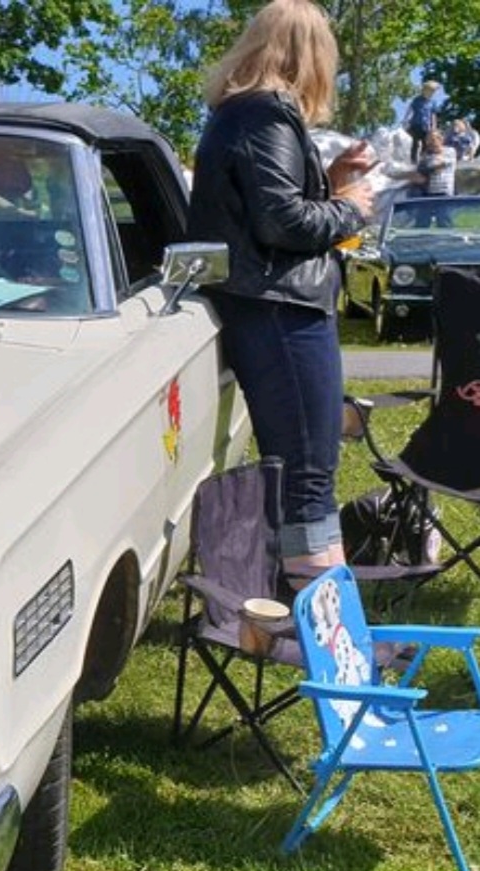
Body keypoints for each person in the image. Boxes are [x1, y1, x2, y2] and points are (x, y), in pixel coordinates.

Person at [188, 0, 375, 591]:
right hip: (281, 310)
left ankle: (305, 597)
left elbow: (268, 209)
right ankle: (319, 612)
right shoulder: (265, 112)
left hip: (271, 305)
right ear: (310, 55)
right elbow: (283, 223)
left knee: (304, 467)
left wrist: (331, 181)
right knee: (307, 472)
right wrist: (351, 208)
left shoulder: (240, 113)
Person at [414, 128, 457, 198]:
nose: (430, 143)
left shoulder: (450, 151)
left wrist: (432, 165)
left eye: (432, 140)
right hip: (430, 193)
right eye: (428, 141)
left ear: (440, 140)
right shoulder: (425, 156)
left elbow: (441, 164)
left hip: (446, 193)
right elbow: (420, 172)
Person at [405, 79, 440, 159]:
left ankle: (423, 158)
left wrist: (434, 126)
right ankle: (413, 159)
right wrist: (405, 119)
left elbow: (433, 115)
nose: (431, 94)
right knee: (415, 142)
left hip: (426, 126)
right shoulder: (417, 100)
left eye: (433, 92)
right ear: (425, 90)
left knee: (425, 143)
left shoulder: (433, 102)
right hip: (416, 124)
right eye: (430, 91)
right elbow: (410, 109)